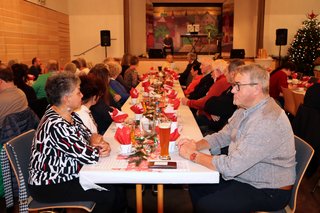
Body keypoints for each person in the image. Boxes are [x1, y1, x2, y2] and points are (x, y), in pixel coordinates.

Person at [178, 64, 296, 213]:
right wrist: (195, 145)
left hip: (268, 188)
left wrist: (192, 155)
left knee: (208, 205)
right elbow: (224, 135)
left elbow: (231, 167)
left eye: (238, 86)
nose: (232, 90)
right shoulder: (245, 108)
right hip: (246, 175)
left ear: (257, 88)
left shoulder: (267, 120)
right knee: (197, 184)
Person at [28, 72, 127, 213]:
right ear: (67, 99)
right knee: (108, 194)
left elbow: (90, 135)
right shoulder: (56, 124)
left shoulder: (68, 114)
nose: (82, 95)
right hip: (50, 184)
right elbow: (90, 155)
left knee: (115, 185)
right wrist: (99, 146)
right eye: (78, 92)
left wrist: (94, 140)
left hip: (66, 173)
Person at [203, 59, 245, 133]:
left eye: (226, 71)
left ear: (232, 74)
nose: (224, 74)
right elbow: (210, 101)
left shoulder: (236, 93)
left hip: (219, 132)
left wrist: (213, 109)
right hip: (218, 129)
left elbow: (210, 104)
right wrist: (213, 111)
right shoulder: (230, 88)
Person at [89, 63, 119, 134]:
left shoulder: (105, 91)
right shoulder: (95, 96)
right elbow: (109, 116)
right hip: (104, 131)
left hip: (108, 127)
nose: (110, 78)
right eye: (108, 76)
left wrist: (112, 110)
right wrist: (112, 110)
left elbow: (117, 108)